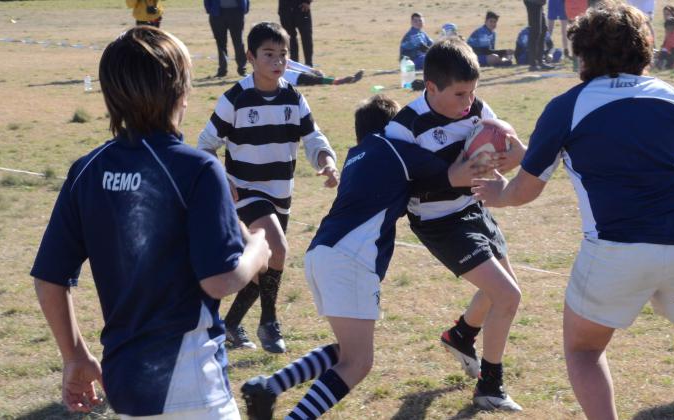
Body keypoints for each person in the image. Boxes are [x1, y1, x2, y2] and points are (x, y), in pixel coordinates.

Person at [472, 2, 674, 420]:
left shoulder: (569, 105)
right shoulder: (673, 97)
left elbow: (526, 189)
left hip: (616, 249)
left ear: (583, 52)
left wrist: (498, 194)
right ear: (644, 48)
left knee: (583, 349)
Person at [31, 26, 272, 418]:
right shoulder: (196, 168)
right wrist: (257, 247)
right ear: (180, 91)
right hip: (188, 380)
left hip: (126, 381)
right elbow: (220, 280)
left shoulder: (87, 170)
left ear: (112, 96)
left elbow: (50, 279)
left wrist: (75, 355)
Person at [240, 95, 494, 420]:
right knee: (359, 363)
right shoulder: (393, 148)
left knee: (348, 353)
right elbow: (454, 174)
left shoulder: (357, 155)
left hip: (321, 252)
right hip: (350, 259)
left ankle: (268, 387)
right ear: (394, 127)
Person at [385, 38, 526, 412]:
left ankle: (460, 336)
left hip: (474, 207)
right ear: (431, 88)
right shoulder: (405, 127)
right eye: (461, 94)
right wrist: (453, 176)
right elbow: (400, 187)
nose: (470, 103)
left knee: (501, 292)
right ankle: (490, 387)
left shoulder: (476, 107)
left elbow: (513, 152)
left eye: (473, 92)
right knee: (508, 295)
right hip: (438, 221)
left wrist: (508, 159)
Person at [198, 22, 339, 354]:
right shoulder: (235, 98)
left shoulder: (293, 97)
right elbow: (205, 145)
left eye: (283, 55)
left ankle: (229, 325)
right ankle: (269, 322)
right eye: (268, 54)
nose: (277, 62)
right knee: (278, 248)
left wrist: (326, 159)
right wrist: (223, 177)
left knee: (264, 269)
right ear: (251, 57)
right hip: (245, 191)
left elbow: (313, 137)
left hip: (281, 194)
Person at [205, 0, 250, 78]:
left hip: (236, 12)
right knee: (220, 43)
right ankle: (222, 70)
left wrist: (245, 7)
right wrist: (210, 9)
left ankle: (242, 69)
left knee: (238, 42)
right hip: (217, 13)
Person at [278, 0, 314, 66]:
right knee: (289, 37)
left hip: (302, 8)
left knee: (306, 37)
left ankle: (309, 64)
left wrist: (308, 2)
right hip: (285, 9)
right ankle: (294, 64)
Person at [524, 0, 554, 71]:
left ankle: (540, 61)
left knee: (543, 29)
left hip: (538, 3)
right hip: (533, 2)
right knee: (535, 31)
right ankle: (533, 64)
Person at [284, 59, 364, 86]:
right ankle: (342, 81)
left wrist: (312, 70)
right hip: (292, 78)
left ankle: (342, 80)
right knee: (315, 79)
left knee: (315, 77)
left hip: (292, 75)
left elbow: (290, 62)